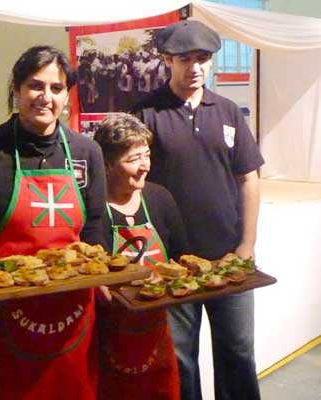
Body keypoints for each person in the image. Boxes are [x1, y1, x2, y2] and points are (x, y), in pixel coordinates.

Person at [0, 45, 107, 400]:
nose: (46, 97)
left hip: (70, 308)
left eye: (57, 88)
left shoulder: (87, 153)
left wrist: (97, 264)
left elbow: (94, 223)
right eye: (35, 86)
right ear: (15, 89)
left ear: (67, 96)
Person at [132, 20, 265, 400]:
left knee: (238, 353)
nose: (195, 68)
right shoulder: (145, 113)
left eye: (203, 59)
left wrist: (247, 245)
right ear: (166, 61)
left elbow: (248, 178)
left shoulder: (227, 112)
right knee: (178, 359)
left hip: (228, 259)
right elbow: (128, 184)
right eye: (184, 59)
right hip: (170, 263)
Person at [93, 113, 188, 400]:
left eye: (146, 155)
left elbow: (181, 259)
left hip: (158, 328)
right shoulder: (92, 208)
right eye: (133, 159)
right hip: (109, 332)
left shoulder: (160, 198)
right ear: (107, 165)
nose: (144, 166)